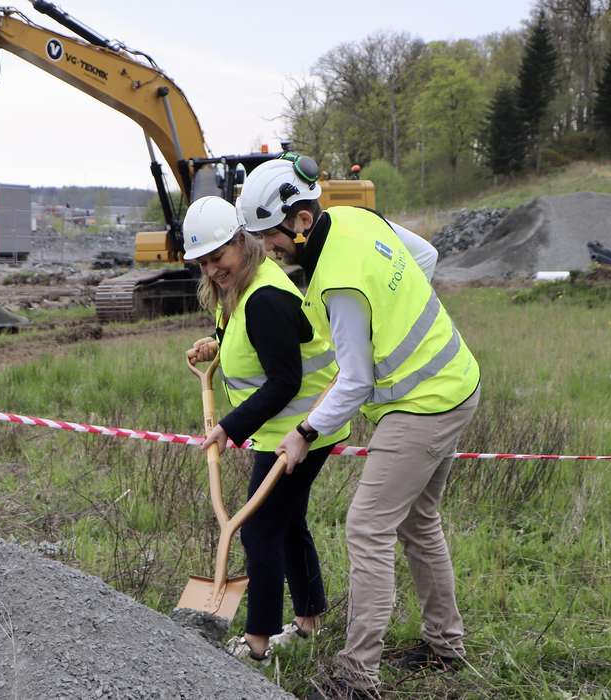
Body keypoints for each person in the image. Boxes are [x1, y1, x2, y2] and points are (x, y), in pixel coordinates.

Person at [236, 154, 481, 695]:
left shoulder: (337, 283)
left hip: (424, 402)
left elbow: (355, 382)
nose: (266, 250)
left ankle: (357, 672)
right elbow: (425, 255)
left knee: (367, 528)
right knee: (420, 522)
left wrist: (303, 434)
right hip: (457, 379)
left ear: (300, 221)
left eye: (269, 237)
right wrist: (396, 307)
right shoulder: (355, 218)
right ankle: (446, 644)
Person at [182, 195, 350, 662]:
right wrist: (213, 343)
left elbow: (285, 379)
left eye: (219, 257)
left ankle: (257, 642)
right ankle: (310, 619)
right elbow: (244, 339)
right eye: (203, 263)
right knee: (287, 521)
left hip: (302, 430)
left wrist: (230, 427)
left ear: (242, 242)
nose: (213, 270)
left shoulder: (267, 298)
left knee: (258, 530)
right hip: (282, 429)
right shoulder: (242, 288)